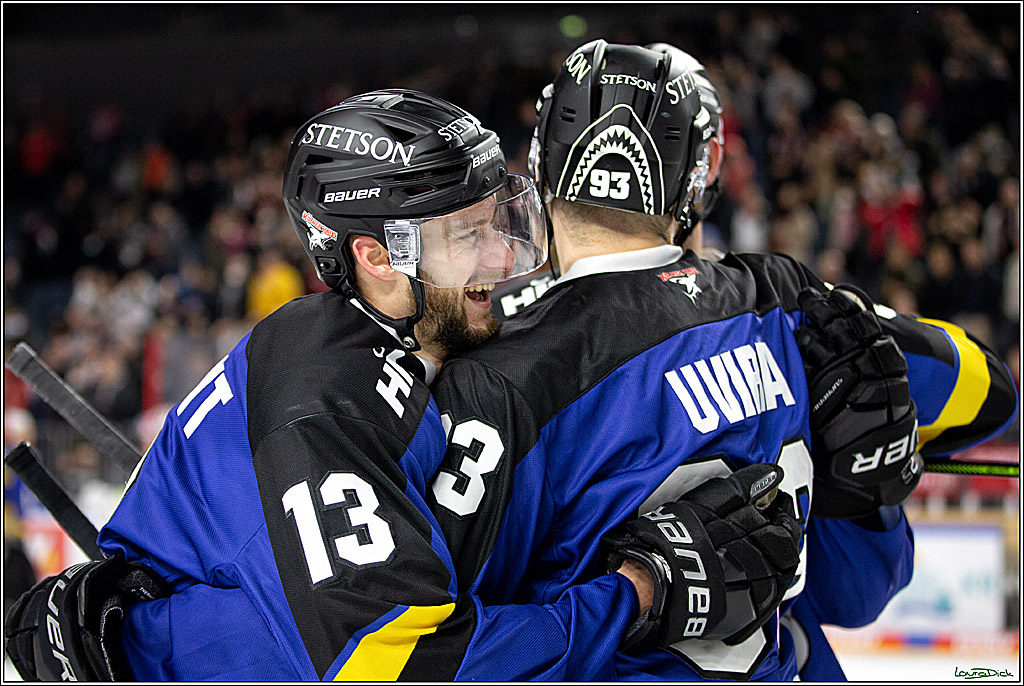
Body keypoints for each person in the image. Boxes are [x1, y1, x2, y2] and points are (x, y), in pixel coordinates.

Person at [4, 89, 684, 682]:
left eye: (497, 224)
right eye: (468, 235)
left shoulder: (394, 342)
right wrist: (638, 594)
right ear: (377, 257)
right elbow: (400, 668)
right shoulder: (323, 399)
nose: (502, 257)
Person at [427, 40, 1019, 681]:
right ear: (697, 178)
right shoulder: (786, 300)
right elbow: (989, 393)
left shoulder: (501, 373)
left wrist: (635, 596)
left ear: (539, 169)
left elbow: (429, 655)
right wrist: (875, 465)